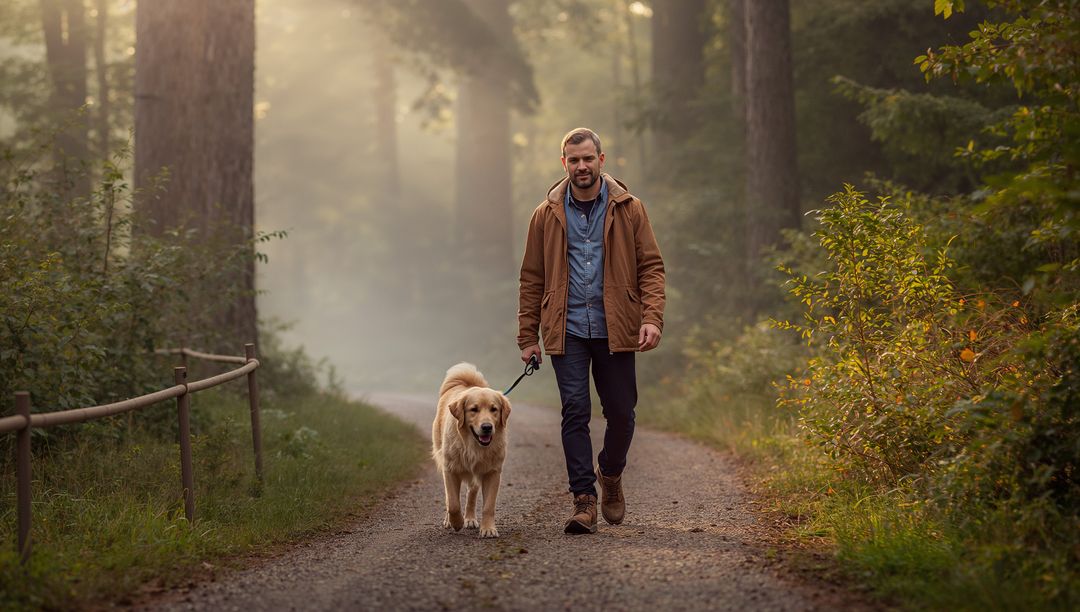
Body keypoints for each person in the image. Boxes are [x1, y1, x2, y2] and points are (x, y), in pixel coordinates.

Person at [517, 127, 666, 534]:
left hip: (616, 326)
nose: (581, 166)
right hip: (566, 329)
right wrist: (528, 337)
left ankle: (611, 472)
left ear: (601, 160)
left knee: (622, 412)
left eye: (588, 158)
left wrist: (652, 317)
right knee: (575, 411)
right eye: (573, 159)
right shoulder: (545, 214)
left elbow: (651, 266)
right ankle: (584, 500)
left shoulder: (629, 208)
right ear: (563, 163)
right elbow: (531, 278)